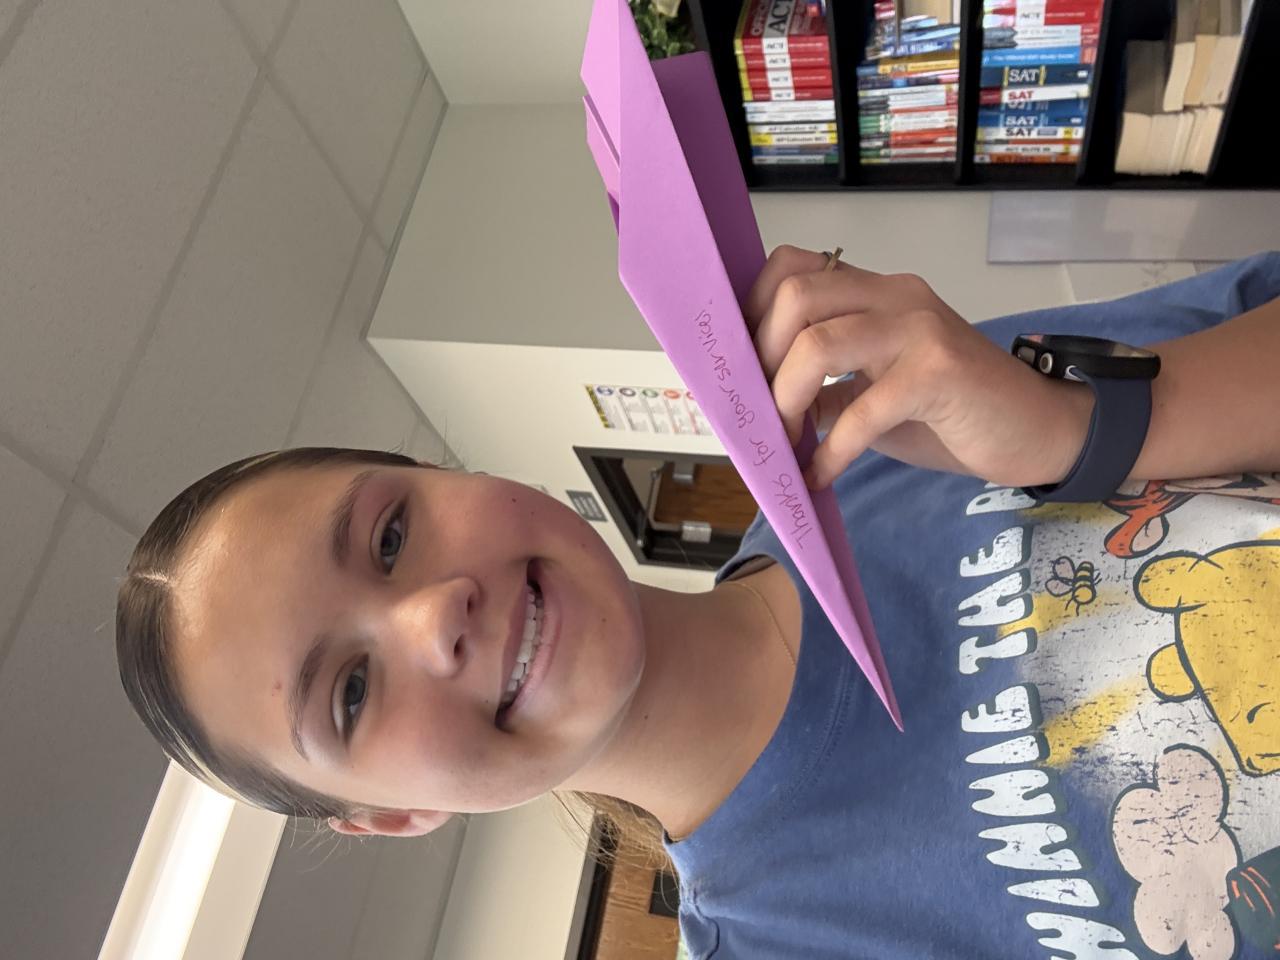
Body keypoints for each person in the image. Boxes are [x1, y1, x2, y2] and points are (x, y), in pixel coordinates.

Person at [116, 246, 1280, 959]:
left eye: (387, 534)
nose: (430, 616)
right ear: (389, 816)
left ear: (450, 473)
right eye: (350, 693)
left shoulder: (861, 444)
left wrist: (1076, 430)